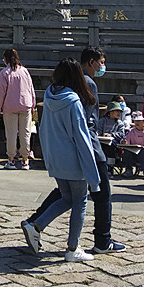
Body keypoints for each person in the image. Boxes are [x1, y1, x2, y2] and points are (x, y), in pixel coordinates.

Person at [23, 46, 125, 254]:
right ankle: (84, 245)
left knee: (66, 195)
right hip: (84, 151)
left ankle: (35, 223)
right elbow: (84, 127)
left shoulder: (53, 93)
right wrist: (91, 155)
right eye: (101, 62)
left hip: (58, 152)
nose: (102, 67)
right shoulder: (82, 89)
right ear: (90, 62)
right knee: (90, 198)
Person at [19, 58, 100, 262]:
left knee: (66, 198)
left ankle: (36, 225)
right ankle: (73, 248)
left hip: (56, 158)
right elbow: (81, 138)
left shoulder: (49, 96)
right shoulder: (73, 101)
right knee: (80, 202)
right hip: (74, 159)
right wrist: (93, 173)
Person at [0, 48, 36, 170]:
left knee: (11, 134)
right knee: (25, 133)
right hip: (25, 105)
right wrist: (32, 105)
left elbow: (0, 94)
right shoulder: (25, 71)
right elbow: (31, 89)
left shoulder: (4, 73)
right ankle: (25, 160)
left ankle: (11, 160)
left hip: (10, 107)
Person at [122, 112, 144, 178]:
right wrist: (124, 142)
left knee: (141, 151)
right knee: (126, 151)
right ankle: (129, 170)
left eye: (139, 121)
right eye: (136, 121)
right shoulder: (131, 131)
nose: (137, 123)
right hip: (134, 154)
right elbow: (127, 142)